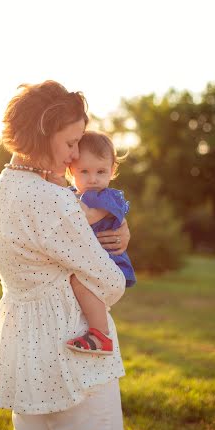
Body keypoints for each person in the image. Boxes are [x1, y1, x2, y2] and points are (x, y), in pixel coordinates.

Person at [0, 81, 131, 430]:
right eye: (70, 142)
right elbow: (111, 283)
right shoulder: (53, 200)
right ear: (42, 134)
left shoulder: (2, 186)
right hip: (73, 352)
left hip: (26, 349)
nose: (76, 155)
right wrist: (121, 239)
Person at [63, 130, 136, 357]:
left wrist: (65, 205)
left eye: (101, 171)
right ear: (71, 171)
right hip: (95, 260)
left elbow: (86, 219)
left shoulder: (104, 197)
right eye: (84, 171)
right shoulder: (75, 194)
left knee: (80, 283)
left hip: (110, 261)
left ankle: (100, 335)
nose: (93, 179)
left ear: (112, 171)